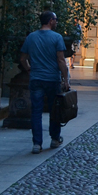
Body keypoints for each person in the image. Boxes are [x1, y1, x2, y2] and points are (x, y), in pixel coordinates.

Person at [19, 11, 70, 154]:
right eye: (56, 19)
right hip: (52, 79)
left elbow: (23, 58)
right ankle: (54, 138)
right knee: (55, 110)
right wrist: (66, 80)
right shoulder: (57, 37)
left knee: (36, 111)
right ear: (50, 21)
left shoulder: (31, 37)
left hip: (36, 79)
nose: (57, 22)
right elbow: (61, 60)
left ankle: (37, 144)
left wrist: (29, 69)